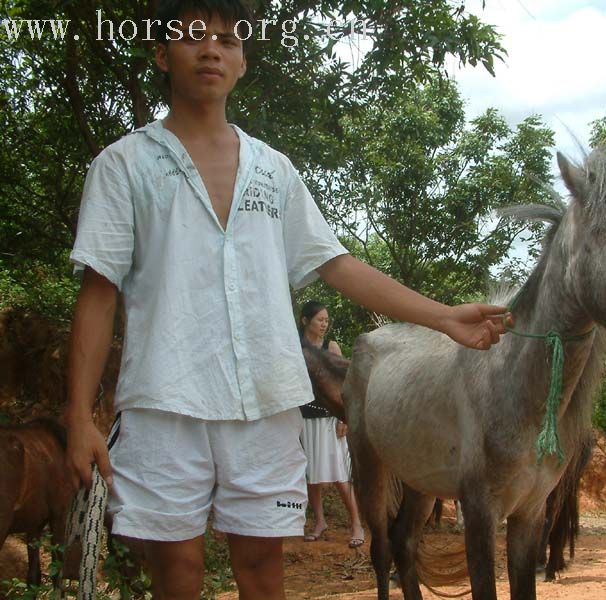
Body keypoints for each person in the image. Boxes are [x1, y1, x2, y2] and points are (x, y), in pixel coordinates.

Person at [64, 1, 508, 599]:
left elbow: (337, 264)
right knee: (175, 576)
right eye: (194, 37)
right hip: (164, 405)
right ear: (160, 52)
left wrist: (443, 316)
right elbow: (99, 292)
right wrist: (77, 417)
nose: (212, 50)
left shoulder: (274, 170)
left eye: (227, 39)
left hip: (266, 404)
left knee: (262, 572)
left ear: (243, 61)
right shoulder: (124, 165)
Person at [297, 301, 364, 548]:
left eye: (326, 320)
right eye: (319, 320)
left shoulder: (330, 346)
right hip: (303, 417)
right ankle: (319, 522)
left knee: (339, 473)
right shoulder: (295, 347)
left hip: (329, 417)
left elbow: (344, 384)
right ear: (305, 321)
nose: (324, 324)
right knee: (311, 474)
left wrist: (342, 417)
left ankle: (356, 523)